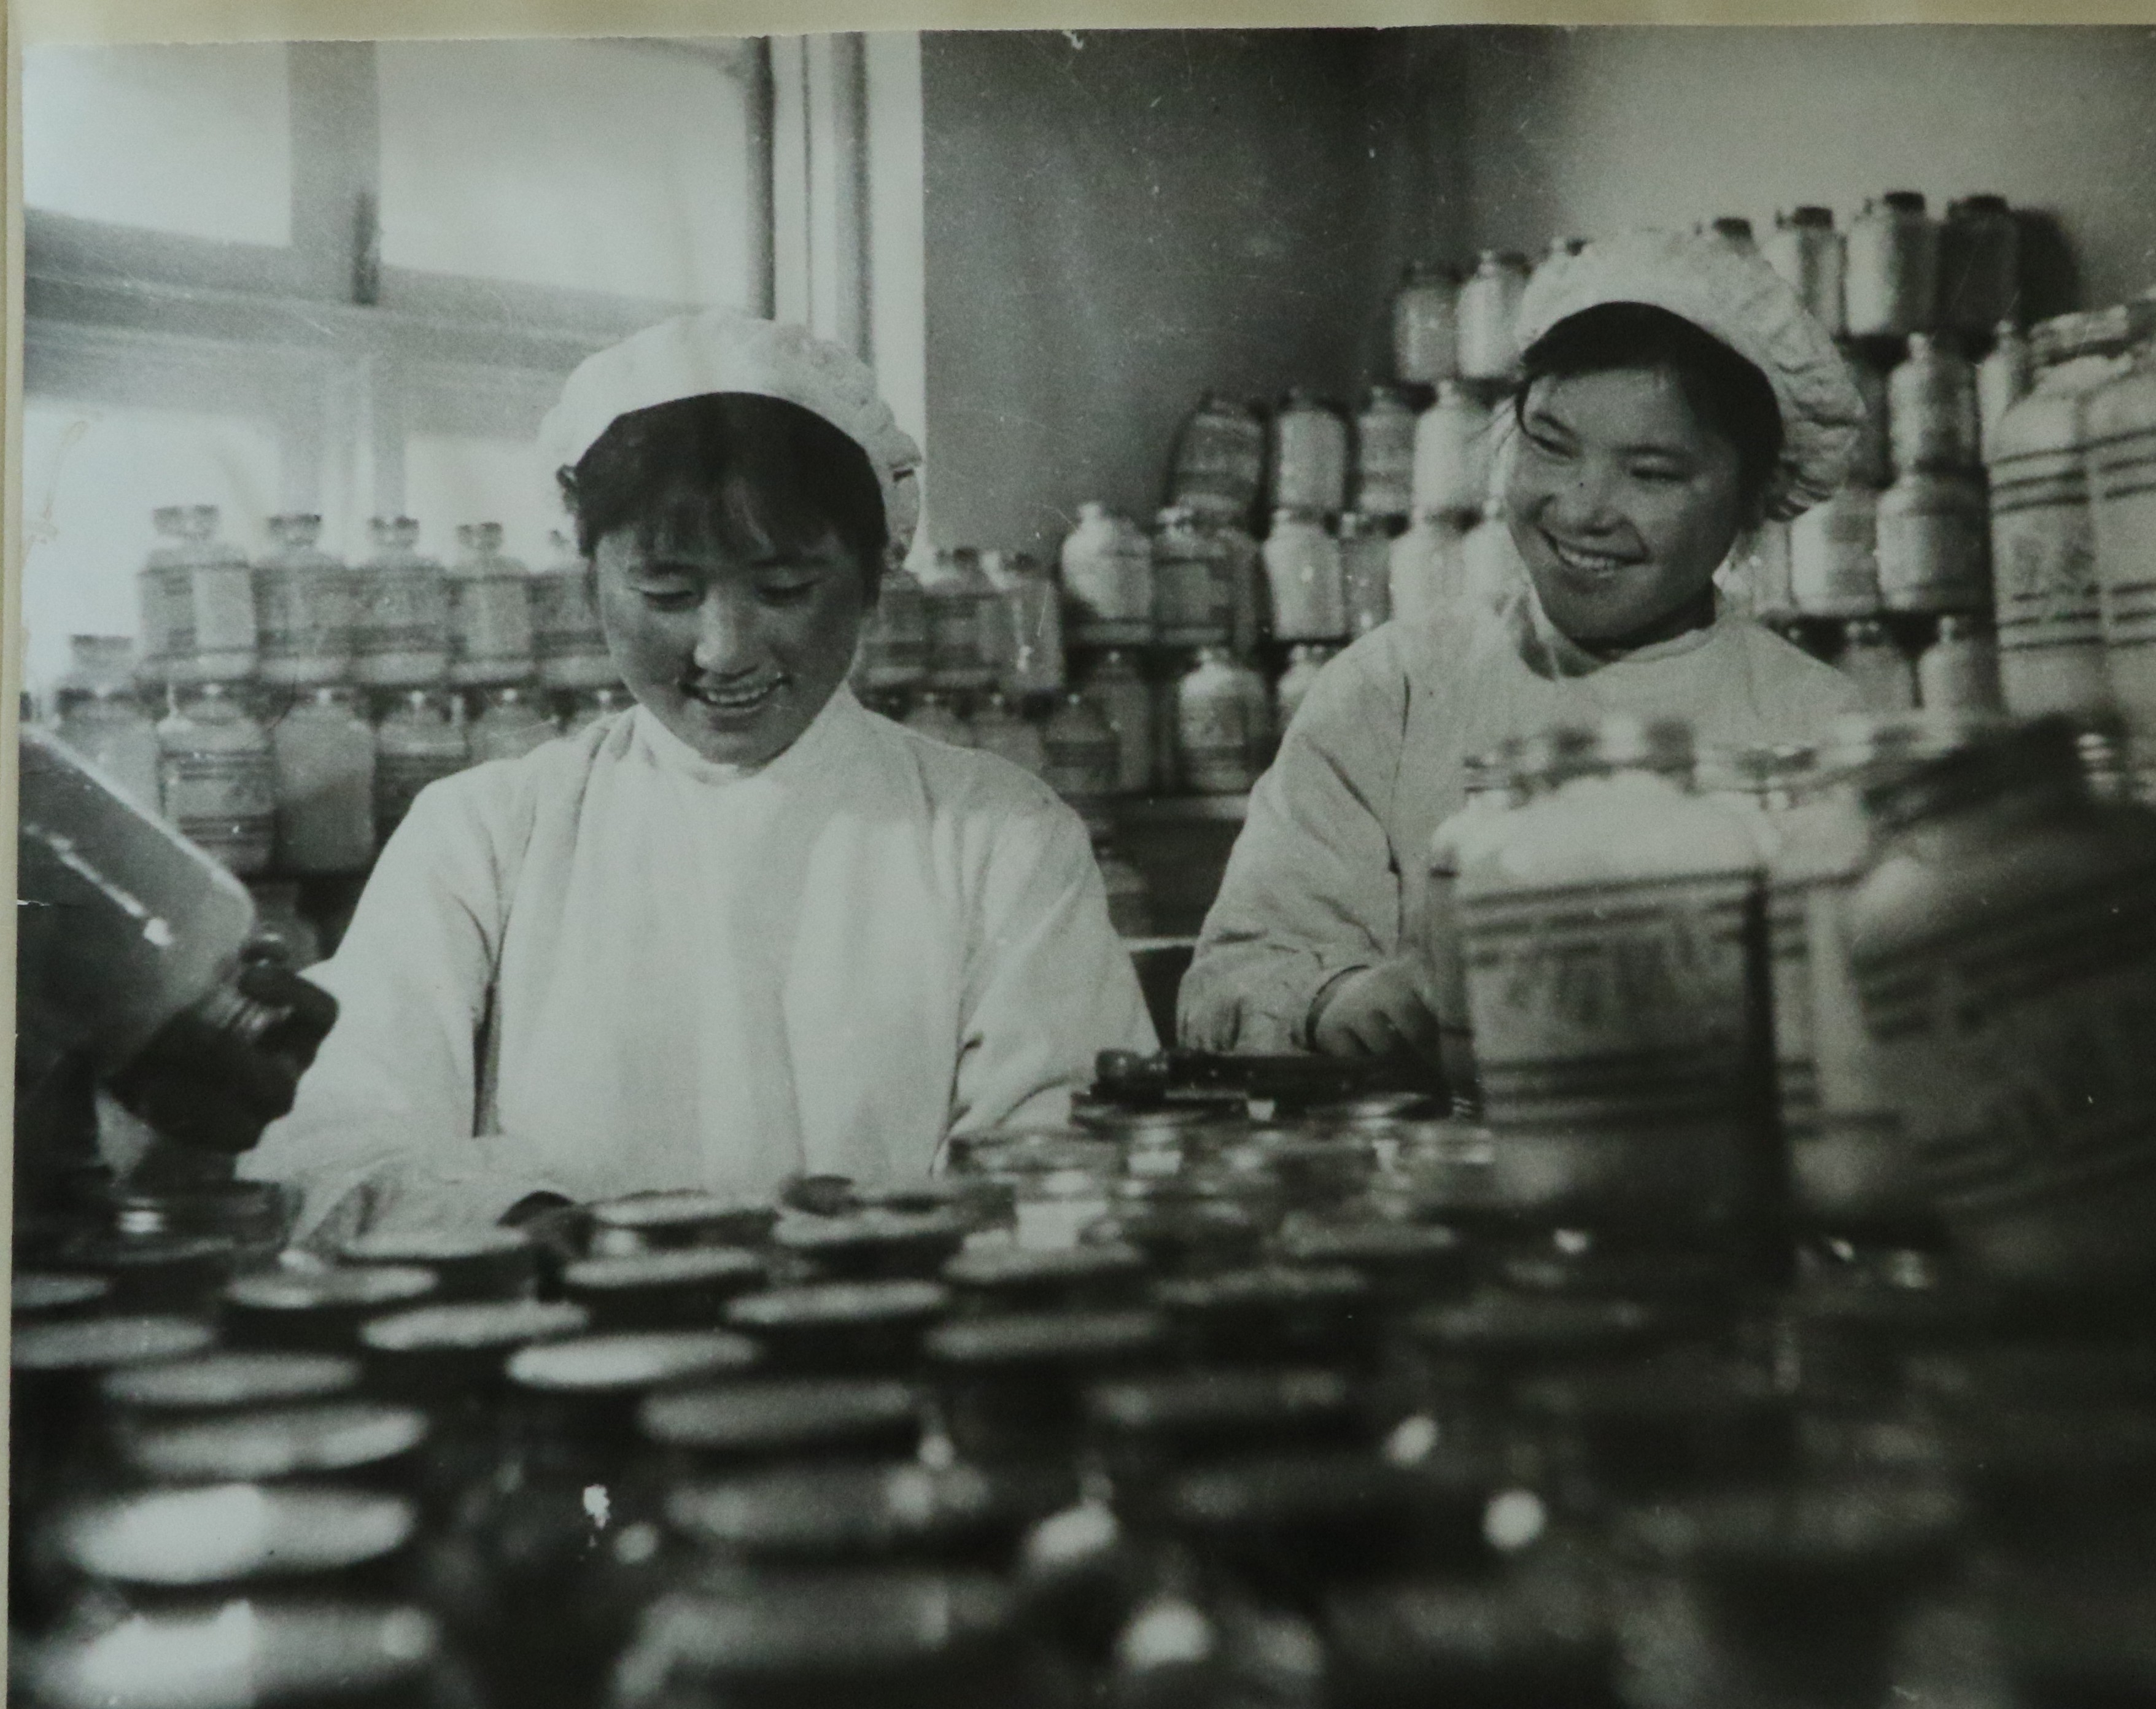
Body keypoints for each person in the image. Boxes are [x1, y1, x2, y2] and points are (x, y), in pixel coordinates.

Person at [247, 311, 1155, 1247]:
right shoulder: (485, 833)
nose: (725, 652)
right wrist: (546, 1233)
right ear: (590, 581)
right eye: (670, 596)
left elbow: (1067, 1160)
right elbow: (337, 1141)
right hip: (566, 1352)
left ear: (877, 577)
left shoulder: (998, 831)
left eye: (786, 589)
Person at [1180, 228, 1867, 1061]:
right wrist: (1332, 997)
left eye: (1650, 473)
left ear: (1752, 499)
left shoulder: (1824, 728)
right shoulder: (1395, 687)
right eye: (1549, 444)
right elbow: (1239, 966)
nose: (1582, 509)